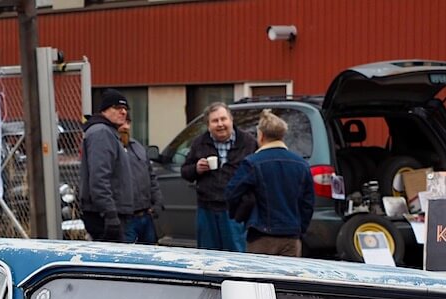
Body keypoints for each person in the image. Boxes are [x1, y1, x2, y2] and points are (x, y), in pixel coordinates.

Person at [225, 109, 314, 257]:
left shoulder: (252, 163)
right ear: (282, 135)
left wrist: (240, 215)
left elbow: (231, 192)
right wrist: (300, 228)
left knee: (259, 279)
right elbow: (308, 203)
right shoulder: (301, 164)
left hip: (261, 236)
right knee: (288, 279)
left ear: (261, 135)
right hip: (291, 237)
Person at [180, 102, 256, 251]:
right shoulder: (199, 143)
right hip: (207, 209)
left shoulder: (248, 142)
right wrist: (196, 168)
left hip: (235, 211)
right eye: (215, 121)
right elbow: (185, 172)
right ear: (208, 125)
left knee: (236, 256)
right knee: (208, 257)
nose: (220, 124)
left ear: (231, 120)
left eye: (223, 119)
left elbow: (257, 174)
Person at [80, 89, 134, 242]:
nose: (123, 112)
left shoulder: (109, 132)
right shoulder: (101, 133)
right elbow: (100, 177)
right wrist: (110, 214)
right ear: (104, 110)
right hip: (102, 215)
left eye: (125, 109)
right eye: (117, 108)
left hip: (109, 212)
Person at [118, 117, 162, 244]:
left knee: (151, 255)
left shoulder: (138, 147)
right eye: (121, 123)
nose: (125, 127)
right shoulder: (110, 149)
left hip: (146, 216)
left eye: (128, 123)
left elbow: (151, 176)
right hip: (125, 220)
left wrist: (158, 202)